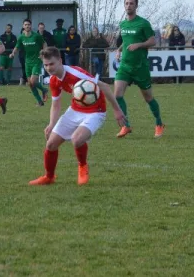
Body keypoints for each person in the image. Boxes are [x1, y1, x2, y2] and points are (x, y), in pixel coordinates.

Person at [28, 47, 126, 186]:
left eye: (52, 64)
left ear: (60, 61)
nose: (49, 68)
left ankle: (82, 167)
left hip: (95, 111)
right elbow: (56, 105)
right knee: (50, 144)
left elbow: (104, 86)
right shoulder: (54, 80)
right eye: (46, 65)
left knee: (77, 139)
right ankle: (49, 177)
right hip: (75, 110)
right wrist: (51, 124)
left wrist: (117, 110)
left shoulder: (76, 74)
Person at [114, 0, 165, 139]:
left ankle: (159, 123)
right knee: (117, 95)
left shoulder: (143, 23)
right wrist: (118, 50)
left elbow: (153, 41)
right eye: (126, 3)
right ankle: (126, 126)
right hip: (125, 66)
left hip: (140, 67)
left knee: (148, 98)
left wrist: (140, 45)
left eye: (131, 3)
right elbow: (126, 41)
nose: (128, 6)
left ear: (136, 6)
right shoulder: (123, 24)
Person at [10, 19, 48, 106]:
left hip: (37, 61)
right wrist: (13, 53)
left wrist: (43, 53)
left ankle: (44, 90)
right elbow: (17, 47)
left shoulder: (36, 36)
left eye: (29, 24)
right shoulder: (21, 37)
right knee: (30, 84)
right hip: (27, 62)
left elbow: (44, 44)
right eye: (25, 25)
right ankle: (39, 101)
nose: (27, 26)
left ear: (31, 26)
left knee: (33, 81)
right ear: (23, 26)